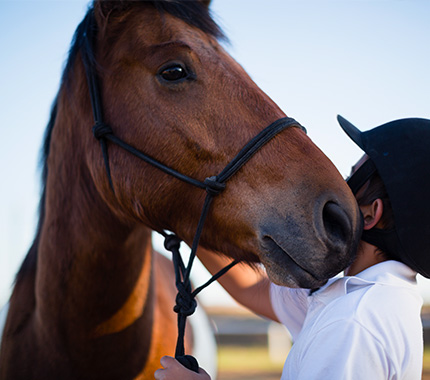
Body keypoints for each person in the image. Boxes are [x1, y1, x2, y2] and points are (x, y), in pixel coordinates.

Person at [154, 116, 430, 379]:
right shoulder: (367, 301)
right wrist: (185, 216)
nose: (341, 188)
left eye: (351, 177)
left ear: (371, 214)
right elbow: (253, 288)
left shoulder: (352, 323)